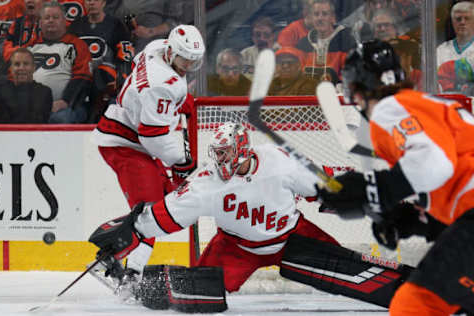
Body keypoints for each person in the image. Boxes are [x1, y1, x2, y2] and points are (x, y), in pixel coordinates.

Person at [90, 122, 340, 295]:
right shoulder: (207, 181)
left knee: (341, 269)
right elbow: (170, 212)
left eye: (225, 153)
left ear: (241, 148)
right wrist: (133, 229)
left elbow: (317, 183)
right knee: (198, 290)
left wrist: (348, 194)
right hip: (236, 248)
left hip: (292, 238)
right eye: (217, 153)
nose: (220, 159)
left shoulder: (277, 160)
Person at [317, 39, 474, 315]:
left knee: (414, 305)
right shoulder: (424, 105)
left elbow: (436, 163)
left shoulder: (389, 108)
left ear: (357, 89)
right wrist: (409, 220)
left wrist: (373, 189)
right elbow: (451, 178)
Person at [90, 24, 203, 281]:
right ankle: (114, 257)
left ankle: (127, 262)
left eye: (194, 61)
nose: (188, 65)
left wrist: (177, 102)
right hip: (125, 144)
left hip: (129, 137)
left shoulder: (156, 47)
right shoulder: (162, 84)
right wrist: (182, 161)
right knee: (150, 213)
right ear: (173, 52)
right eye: (185, 59)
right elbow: (152, 137)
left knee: (165, 205)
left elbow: (137, 78)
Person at [68, 0, 134, 122]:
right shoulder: (75, 26)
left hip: (107, 85)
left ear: (103, 3)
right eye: (88, 0)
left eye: (96, 0)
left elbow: (125, 59)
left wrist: (119, 83)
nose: (91, 3)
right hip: (80, 83)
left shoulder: (117, 25)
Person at [30, 1, 92, 123]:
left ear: (64, 21)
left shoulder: (78, 46)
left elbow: (83, 78)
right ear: (40, 23)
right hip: (31, 107)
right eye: (47, 18)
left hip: (68, 106)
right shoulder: (29, 48)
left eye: (56, 17)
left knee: (60, 118)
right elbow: (13, 78)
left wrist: (66, 101)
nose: (51, 20)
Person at [295, 0, 356, 84]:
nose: (320, 18)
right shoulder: (303, 44)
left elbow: (351, 76)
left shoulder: (346, 40)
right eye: (316, 14)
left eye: (324, 14)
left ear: (332, 17)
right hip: (309, 95)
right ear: (311, 18)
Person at [0, 47, 52, 123]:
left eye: (26, 64)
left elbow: (35, 120)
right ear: (11, 68)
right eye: (17, 64)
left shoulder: (44, 92)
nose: (21, 68)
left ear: (34, 68)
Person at [371, 8, 421, 89]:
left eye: (386, 25)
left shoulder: (409, 47)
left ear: (395, 27)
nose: (382, 29)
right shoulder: (367, 52)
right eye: (378, 26)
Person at [437, 1, 474, 93]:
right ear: (453, 22)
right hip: (446, 103)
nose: (462, 22)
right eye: (458, 19)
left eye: (467, 18)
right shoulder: (441, 50)